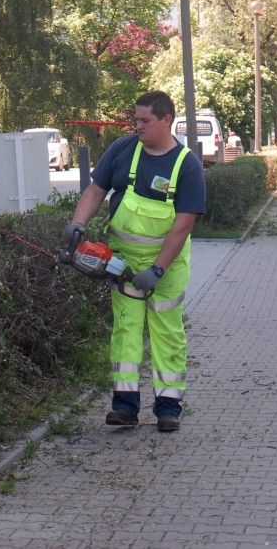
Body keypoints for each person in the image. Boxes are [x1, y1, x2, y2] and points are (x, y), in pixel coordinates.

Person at [62, 90, 206, 433]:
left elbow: (183, 225)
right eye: (135, 120)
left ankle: (169, 407)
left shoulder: (186, 165)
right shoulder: (124, 150)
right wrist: (77, 223)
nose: (137, 126)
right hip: (123, 262)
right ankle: (124, 406)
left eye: (145, 121)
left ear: (166, 120)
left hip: (166, 266)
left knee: (166, 331)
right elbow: (95, 191)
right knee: (126, 329)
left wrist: (157, 270)